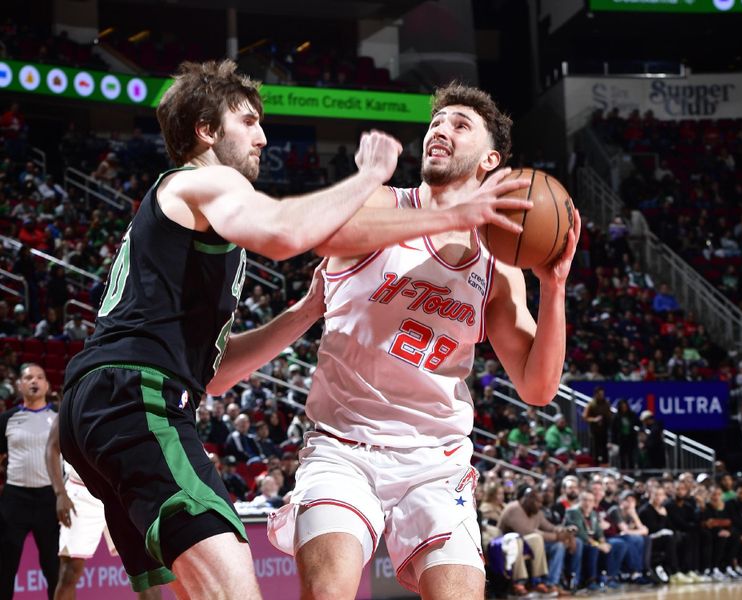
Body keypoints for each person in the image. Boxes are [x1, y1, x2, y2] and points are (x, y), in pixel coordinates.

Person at [59, 62, 528, 599]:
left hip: (103, 403)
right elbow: (286, 234)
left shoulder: (198, 222)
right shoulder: (207, 181)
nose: (262, 137)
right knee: (235, 589)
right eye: (248, 122)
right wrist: (370, 177)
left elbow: (215, 375)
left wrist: (305, 311)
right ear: (207, 132)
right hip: (135, 398)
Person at [267, 82, 581, 600]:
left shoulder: (500, 266)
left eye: (460, 125)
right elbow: (327, 237)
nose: (441, 129)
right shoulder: (381, 201)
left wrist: (555, 287)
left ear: (491, 161)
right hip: (345, 447)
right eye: (437, 122)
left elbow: (538, 387)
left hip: (437, 460)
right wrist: (453, 214)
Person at [45, 419, 163, 600]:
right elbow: (52, 448)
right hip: (82, 493)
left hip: (121, 490)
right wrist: (60, 493)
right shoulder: (75, 395)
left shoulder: (126, 398)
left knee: (146, 571)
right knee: (70, 571)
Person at [0, 364, 60, 599]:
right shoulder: (7, 419)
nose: (34, 381)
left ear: (47, 384)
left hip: (50, 500)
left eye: (39, 377)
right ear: (19, 385)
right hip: (14, 501)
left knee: (54, 569)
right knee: (5, 569)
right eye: (28, 378)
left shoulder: (58, 417)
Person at [498, 487, 577, 595]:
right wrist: (558, 536)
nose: (540, 505)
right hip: (506, 544)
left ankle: (549, 583)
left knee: (558, 546)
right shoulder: (514, 508)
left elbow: (549, 527)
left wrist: (565, 531)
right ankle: (525, 582)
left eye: (541, 502)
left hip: (529, 544)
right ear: (527, 499)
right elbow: (525, 532)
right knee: (534, 538)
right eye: (537, 501)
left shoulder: (535, 511)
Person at [583, 386, 611, 465]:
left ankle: (605, 466)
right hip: (594, 431)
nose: (601, 396)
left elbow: (609, 416)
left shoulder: (606, 403)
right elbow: (585, 417)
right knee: (594, 450)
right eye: (599, 394)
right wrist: (594, 420)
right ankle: (594, 466)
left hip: (604, 430)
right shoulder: (591, 404)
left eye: (602, 394)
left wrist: (605, 419)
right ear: (595, 394)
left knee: (604, 450)